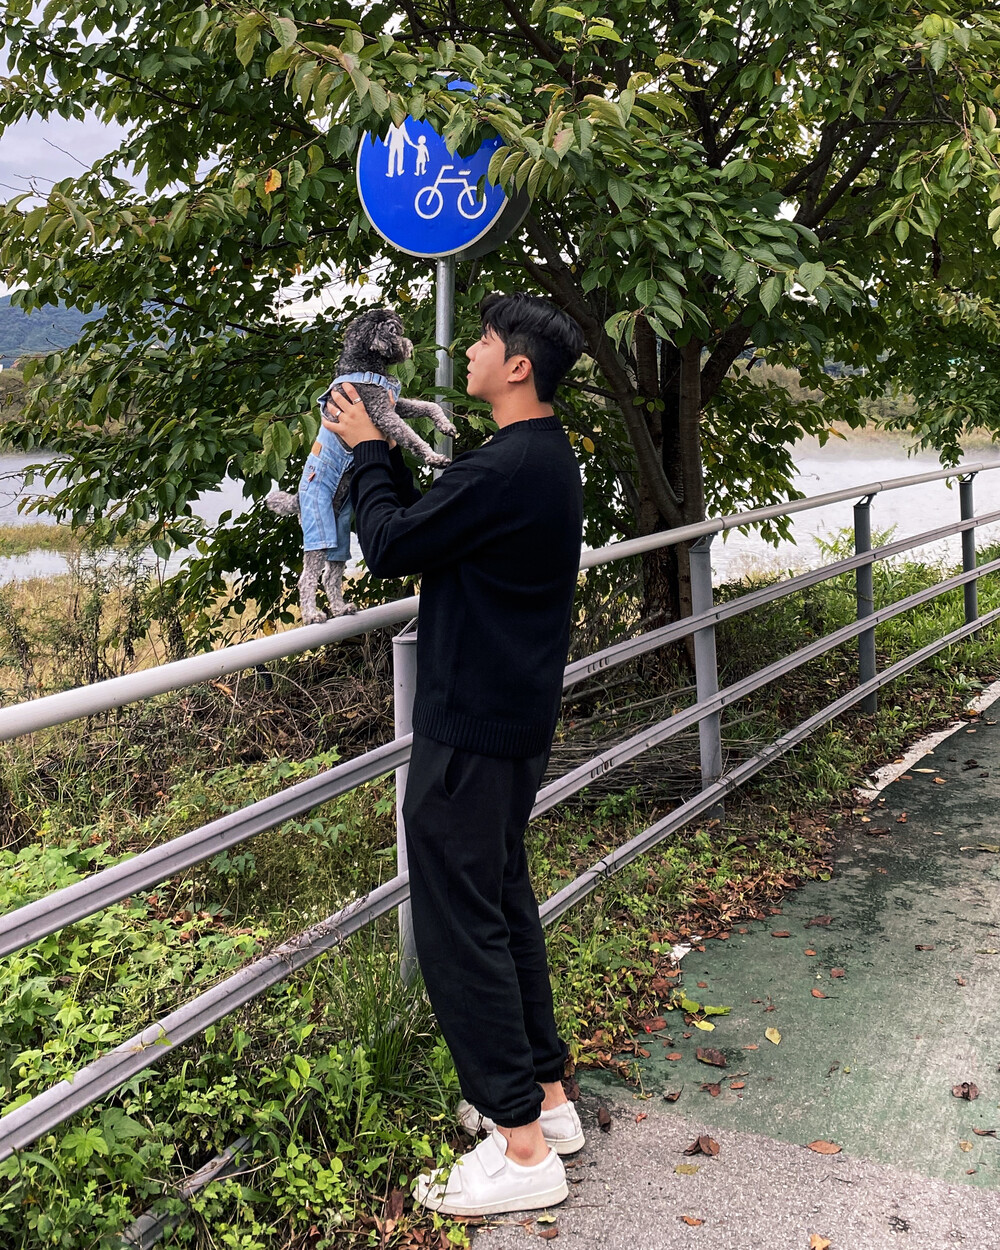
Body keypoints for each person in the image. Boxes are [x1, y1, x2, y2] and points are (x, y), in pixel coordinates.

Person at [323, 292, 586, 1217]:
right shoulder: (545, 457)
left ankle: (519, 1146)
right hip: (511, 720)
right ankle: (546, 1100)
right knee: (500, 902)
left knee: (457, 926)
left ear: (517, 367)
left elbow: (394, 543)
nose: (467, 350)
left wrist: (366, 449)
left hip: (469, 727)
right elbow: (435, 528)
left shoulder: (506, 465)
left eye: (482, 340)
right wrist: (382, 452)